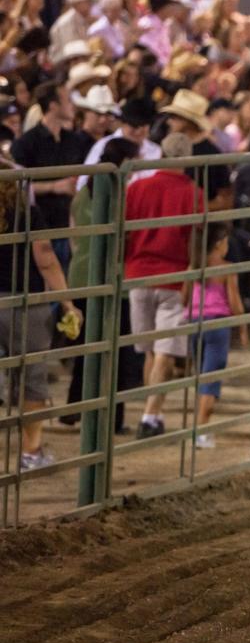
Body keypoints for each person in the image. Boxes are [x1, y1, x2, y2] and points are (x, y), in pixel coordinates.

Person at [0, 171, 83, 470]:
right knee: (31, 379)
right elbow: (45, 258)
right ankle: (31, 452)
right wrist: (68, 303)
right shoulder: (27, 213)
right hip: (24, 304)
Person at [125, 132, 204, 439]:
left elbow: (125, 230)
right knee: (165, 352)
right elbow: (195, 238)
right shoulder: (193, 193)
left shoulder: (137, 187)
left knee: (149, 350)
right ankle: (149, 415)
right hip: (173, 275)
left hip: (138, 273)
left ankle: (152, 413)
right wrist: (192, 274)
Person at [64, 137, 140, 431]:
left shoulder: (84, 191)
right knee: (114, 352)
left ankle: (75, 408)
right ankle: (113, 419)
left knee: (86, 349)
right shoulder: (119, 194)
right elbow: (122, 238)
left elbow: (73, 235)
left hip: (81, 275)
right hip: (110, 278)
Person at [182, 222, 247, 448]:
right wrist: (242, 326)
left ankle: (198, 427)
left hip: (194, 323)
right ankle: (202, 430)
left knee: (201, 375)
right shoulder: (226, 269)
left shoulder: (194, 268)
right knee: (211, 378)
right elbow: (235, 300)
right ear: (220, 244)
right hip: (218, 325)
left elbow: (184, 299)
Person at [10, 82, 86, 272]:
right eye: (68, 100)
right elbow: (14, 185)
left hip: (69, 225)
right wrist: (54, 186)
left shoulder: (74, 141)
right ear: (53, 105)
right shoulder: (25, 143)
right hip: (38, 227)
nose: (73, 105)